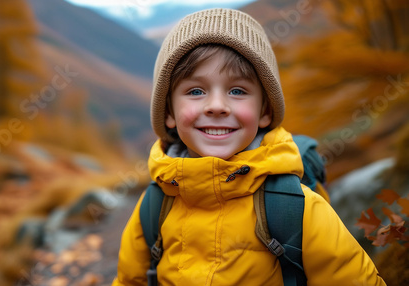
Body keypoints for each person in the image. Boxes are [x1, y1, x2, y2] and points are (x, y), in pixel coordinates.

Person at [112, 8, 386, 286]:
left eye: (237, 91)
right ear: (168, 112)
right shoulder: (155, 205)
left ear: (264, 111)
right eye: (196, 91)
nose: (217, 106)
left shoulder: (295, 208)